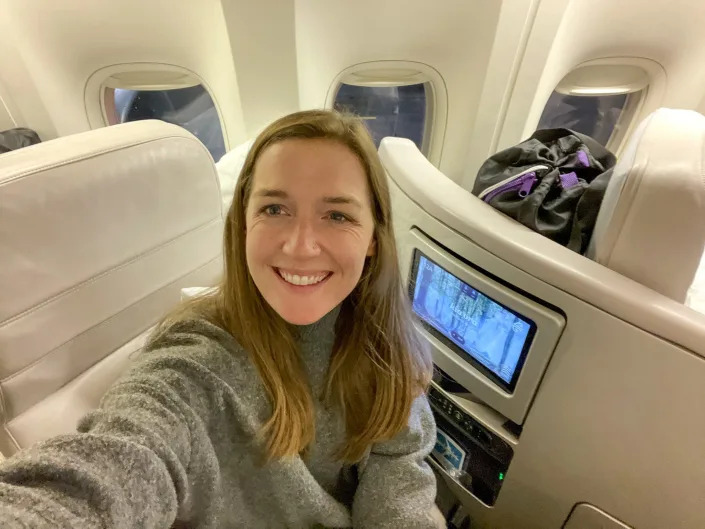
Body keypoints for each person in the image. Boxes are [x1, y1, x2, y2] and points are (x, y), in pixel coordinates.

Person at [0, 110, 441, 528]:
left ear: (372, 240)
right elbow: (109, 469)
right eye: (274, 209)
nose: (301, 245)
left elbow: (399, 481)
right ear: (243, 224)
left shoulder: (389, 347)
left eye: (337, 215)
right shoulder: (199, 362)